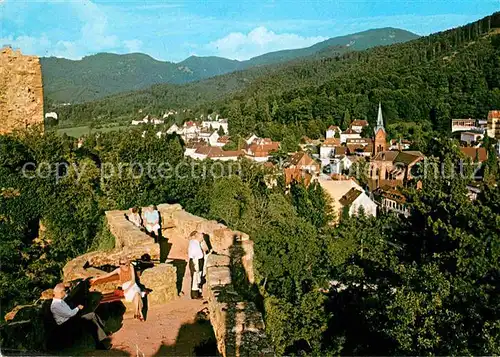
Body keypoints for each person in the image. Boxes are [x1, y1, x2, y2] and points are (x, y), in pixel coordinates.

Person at [50, 283, 110, 350]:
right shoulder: (56, 304)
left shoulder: (60, 301)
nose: (65, 293)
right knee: (90, 320)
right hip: (65, 325)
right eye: (64, 291)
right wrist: (78, 307)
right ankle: (101, 342)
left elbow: (69, 310)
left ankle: (102, 333)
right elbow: (70, 314)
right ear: (60, 292)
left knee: (91, 315)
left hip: (70, 320)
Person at [188, 231, 206, 299]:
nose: (202, 238)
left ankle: (198, 292)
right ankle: (194, 295)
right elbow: (194, 255)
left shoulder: (195, 242)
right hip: (196, 261)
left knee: (198, 277)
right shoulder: (194, 243)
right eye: (201, 237)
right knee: (195, 277)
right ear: (197, 237)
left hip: (197, 260)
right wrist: (195, 264)